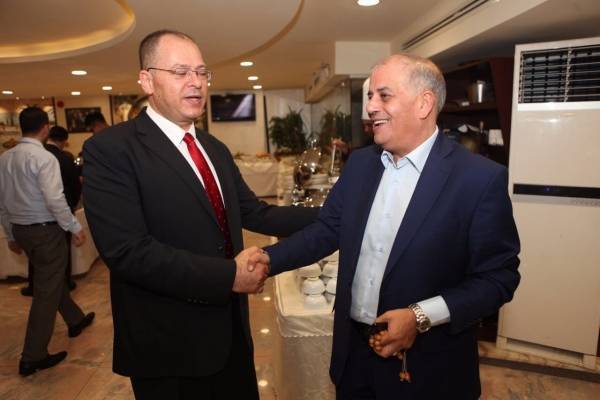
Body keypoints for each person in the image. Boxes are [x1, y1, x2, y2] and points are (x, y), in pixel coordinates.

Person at [258, 54, 521, 399]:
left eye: (384, 96)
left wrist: (421, 316)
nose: (370, 107)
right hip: (354, 357)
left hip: (428, 371)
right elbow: (326, 230)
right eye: (370, 97)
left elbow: (499, 278)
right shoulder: (361, 164)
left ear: (424, 103)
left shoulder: (478, 179)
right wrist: (266, 259)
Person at [82, 29, 319, 400]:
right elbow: (127, 251)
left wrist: (333, 213)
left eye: (202, 72)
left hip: (231, 335)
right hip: (170, 347)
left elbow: (255, 212)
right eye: (180, 72)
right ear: (147, 80)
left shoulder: (214, 147)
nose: (196, 82)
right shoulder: (111, 149)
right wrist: (229, 276)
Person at [0, 107, 95, 376]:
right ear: (45, 128)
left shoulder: (5, 158)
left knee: (49, 278)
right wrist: (74, 227)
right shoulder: (43, 157)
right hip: (45, 231)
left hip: (22, 230)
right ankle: (33, 356)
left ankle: (75, 320)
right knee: (45, 292)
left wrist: (10, 234)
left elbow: (2, 201)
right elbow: (54, 199)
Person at [21, 125, 81, 296]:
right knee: (62, 253)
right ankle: (65, 283)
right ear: (63, 140)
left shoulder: (26, 155)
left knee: (35, 256)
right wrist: (72, 208)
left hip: (30, 215)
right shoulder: (63, 157)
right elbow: (74, 186)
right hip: (59, 212)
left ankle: (34, 284)